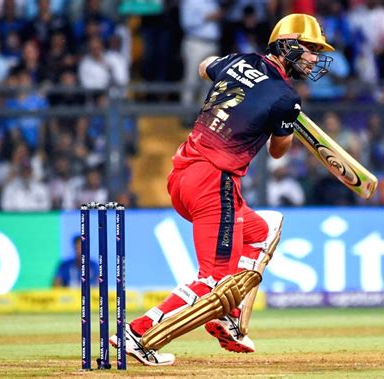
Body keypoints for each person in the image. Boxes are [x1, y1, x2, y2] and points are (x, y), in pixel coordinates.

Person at [109, 13, 335, 366]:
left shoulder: (239, 60)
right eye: (309, 49)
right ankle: (137, 333)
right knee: (213, 279)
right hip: (215, 183)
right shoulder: (285, 98)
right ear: (287, 45)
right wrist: (288, 121)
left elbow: (203, 66)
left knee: (265, 229)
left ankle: (227, 313)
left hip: (183, 175)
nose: (313, 58)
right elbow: (278, 149)